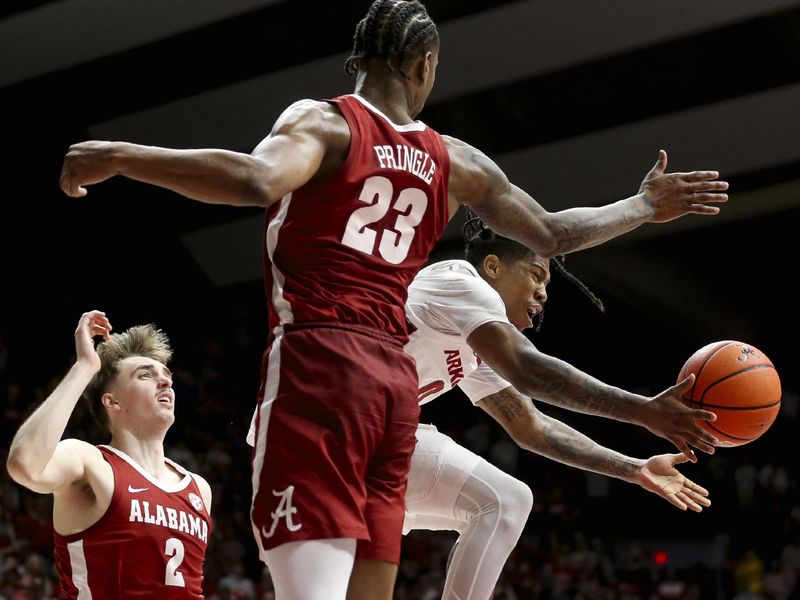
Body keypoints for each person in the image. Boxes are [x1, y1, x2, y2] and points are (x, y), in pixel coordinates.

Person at [57, 2, 728, 598]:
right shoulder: (455, 161)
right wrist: (640, 205)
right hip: (392, 394)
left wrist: (121, 154)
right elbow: (552, 234)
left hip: (321, 368)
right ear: (426, 64)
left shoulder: (326, 125)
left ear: (357, 61)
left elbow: (255, 179)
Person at [398, 214, 714, 599]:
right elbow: (530, 371)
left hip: (368, 437)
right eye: (535, 275)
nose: (544, 293)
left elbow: (532, 427)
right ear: (494, 266)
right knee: (503, 502)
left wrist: (634, 469)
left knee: (503, 502)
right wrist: (642, 410)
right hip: (332, 424)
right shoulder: (460, 283)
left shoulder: (479, 344)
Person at [6, 311, 213, 599]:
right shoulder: (90, 463)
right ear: (112, 401)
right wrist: (84, 367)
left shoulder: (198, 488)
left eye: (166, 377)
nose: (165, 382)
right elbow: (24, 464)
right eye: (145, 375)